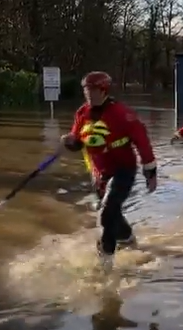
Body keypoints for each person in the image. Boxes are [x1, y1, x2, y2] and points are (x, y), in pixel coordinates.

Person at [60, 71, 158, 270]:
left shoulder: (122, 114)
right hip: (99, 173)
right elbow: (78, 139)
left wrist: (151, 172)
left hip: (124, 170)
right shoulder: (82, 113)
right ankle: (128, 239)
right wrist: (70, 141)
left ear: (103, 90)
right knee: (113, 214)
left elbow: (142, 142)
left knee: (106, 214)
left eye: (93, 90)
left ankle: (106, 266)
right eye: (86, 90)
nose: (88, 94)